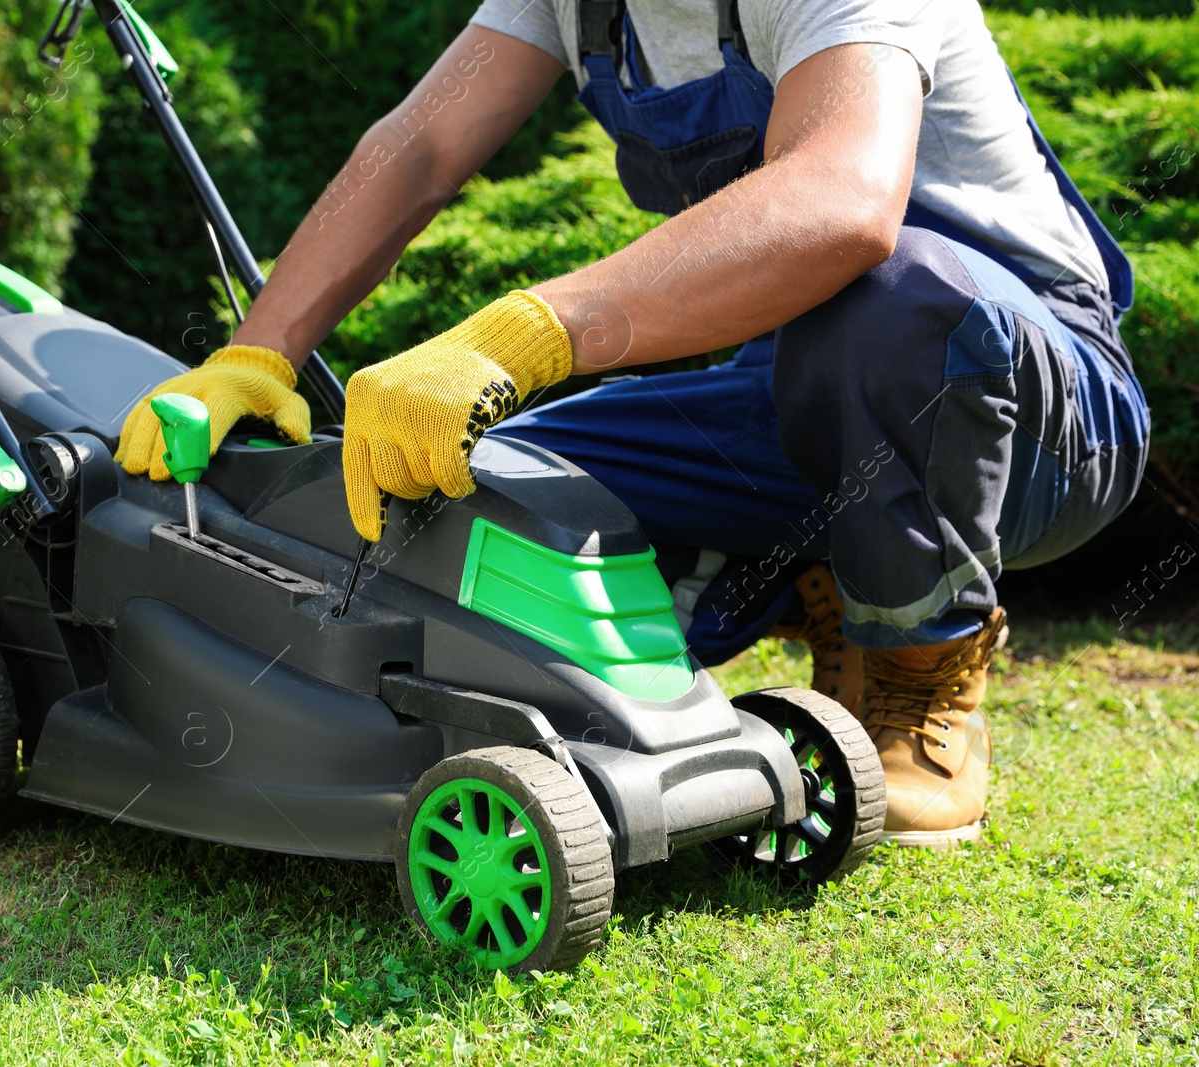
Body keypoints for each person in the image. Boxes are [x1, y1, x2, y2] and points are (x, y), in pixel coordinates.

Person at [114, 0, 1149, 848]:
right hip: (795, 396)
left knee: (891, 298)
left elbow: (843, 202)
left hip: (1034, 407)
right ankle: (819, 590)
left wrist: (522, 334)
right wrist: (256, 355)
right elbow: (420, 146)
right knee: (501, 493)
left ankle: (927, 692)